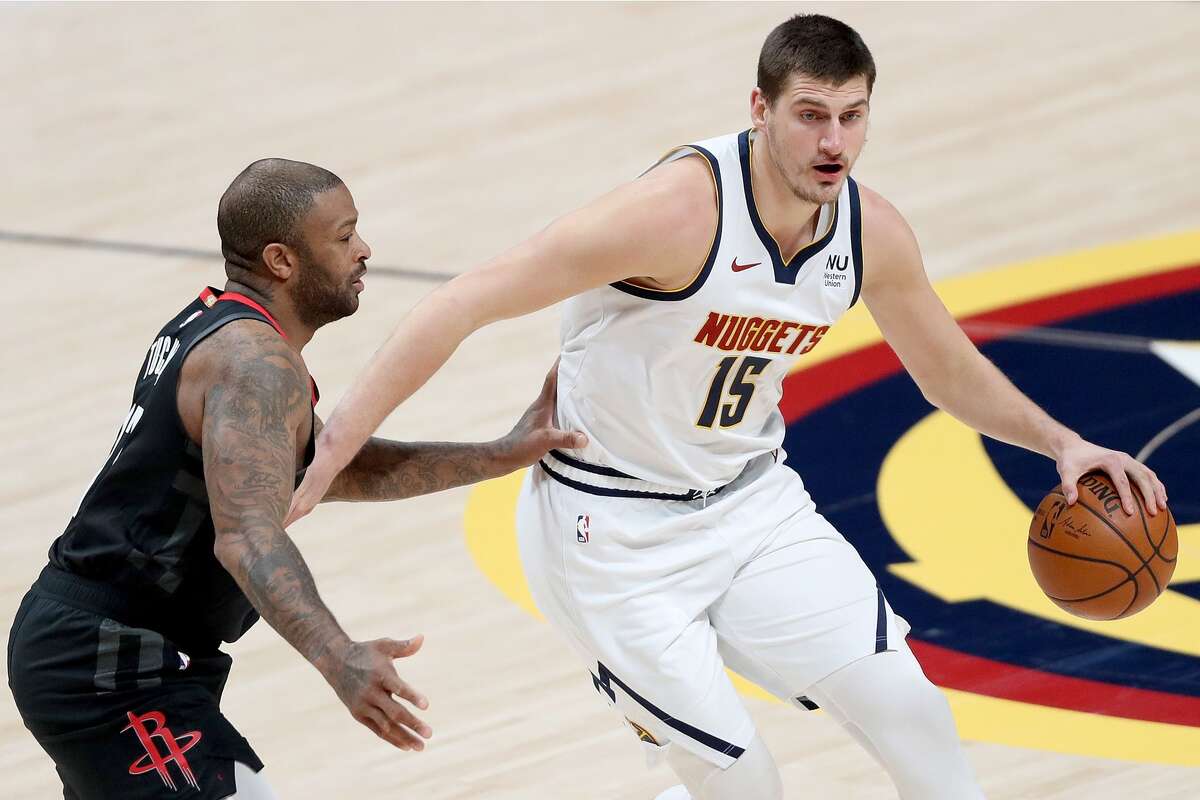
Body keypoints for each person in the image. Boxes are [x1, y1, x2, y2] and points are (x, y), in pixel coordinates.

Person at [287, 15, 1168, 800]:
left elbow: (944, 373)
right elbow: (463, 301)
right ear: (761, 108)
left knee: (917, 721)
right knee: (745, 782)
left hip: (752, 505)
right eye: (811, 114)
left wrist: (1062, 443)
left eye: (852, 116)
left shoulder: (870, 234)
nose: (834, 141)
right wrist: (334, 445)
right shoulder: (675, 215)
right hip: (610, 534)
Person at [6, 158, 584, 800]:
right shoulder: (254, 363)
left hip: (110, 649)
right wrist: (339, 657)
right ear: (282, 261)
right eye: (343, 236)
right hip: (110, 663)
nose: (363, 251)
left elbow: (318, 469)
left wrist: (498, 454)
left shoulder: (225, 330)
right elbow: (247, 536)